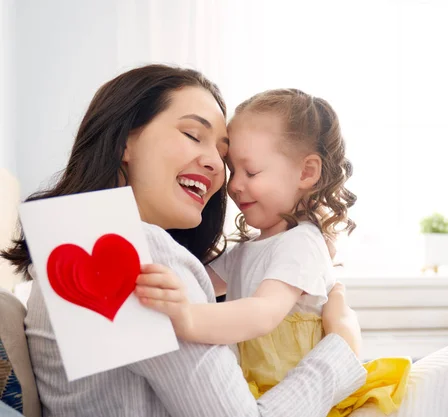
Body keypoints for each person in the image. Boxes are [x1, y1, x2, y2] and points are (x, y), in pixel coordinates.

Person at [1, 64, 366, 417]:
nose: (217, 167)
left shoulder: (75, 245)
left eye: (223, 155)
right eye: (193, 135)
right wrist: (342, 349)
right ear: (125, 140)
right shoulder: (137, 249)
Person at [135, 88, 411, 417]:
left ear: (306, 173)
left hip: (308, 401)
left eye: (250, 173)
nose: (234, 185)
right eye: (232, 170)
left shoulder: (302, 243)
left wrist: (188, 317)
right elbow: (199, 280)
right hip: (265, 394)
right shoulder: (250, 250)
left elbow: (264, 312)